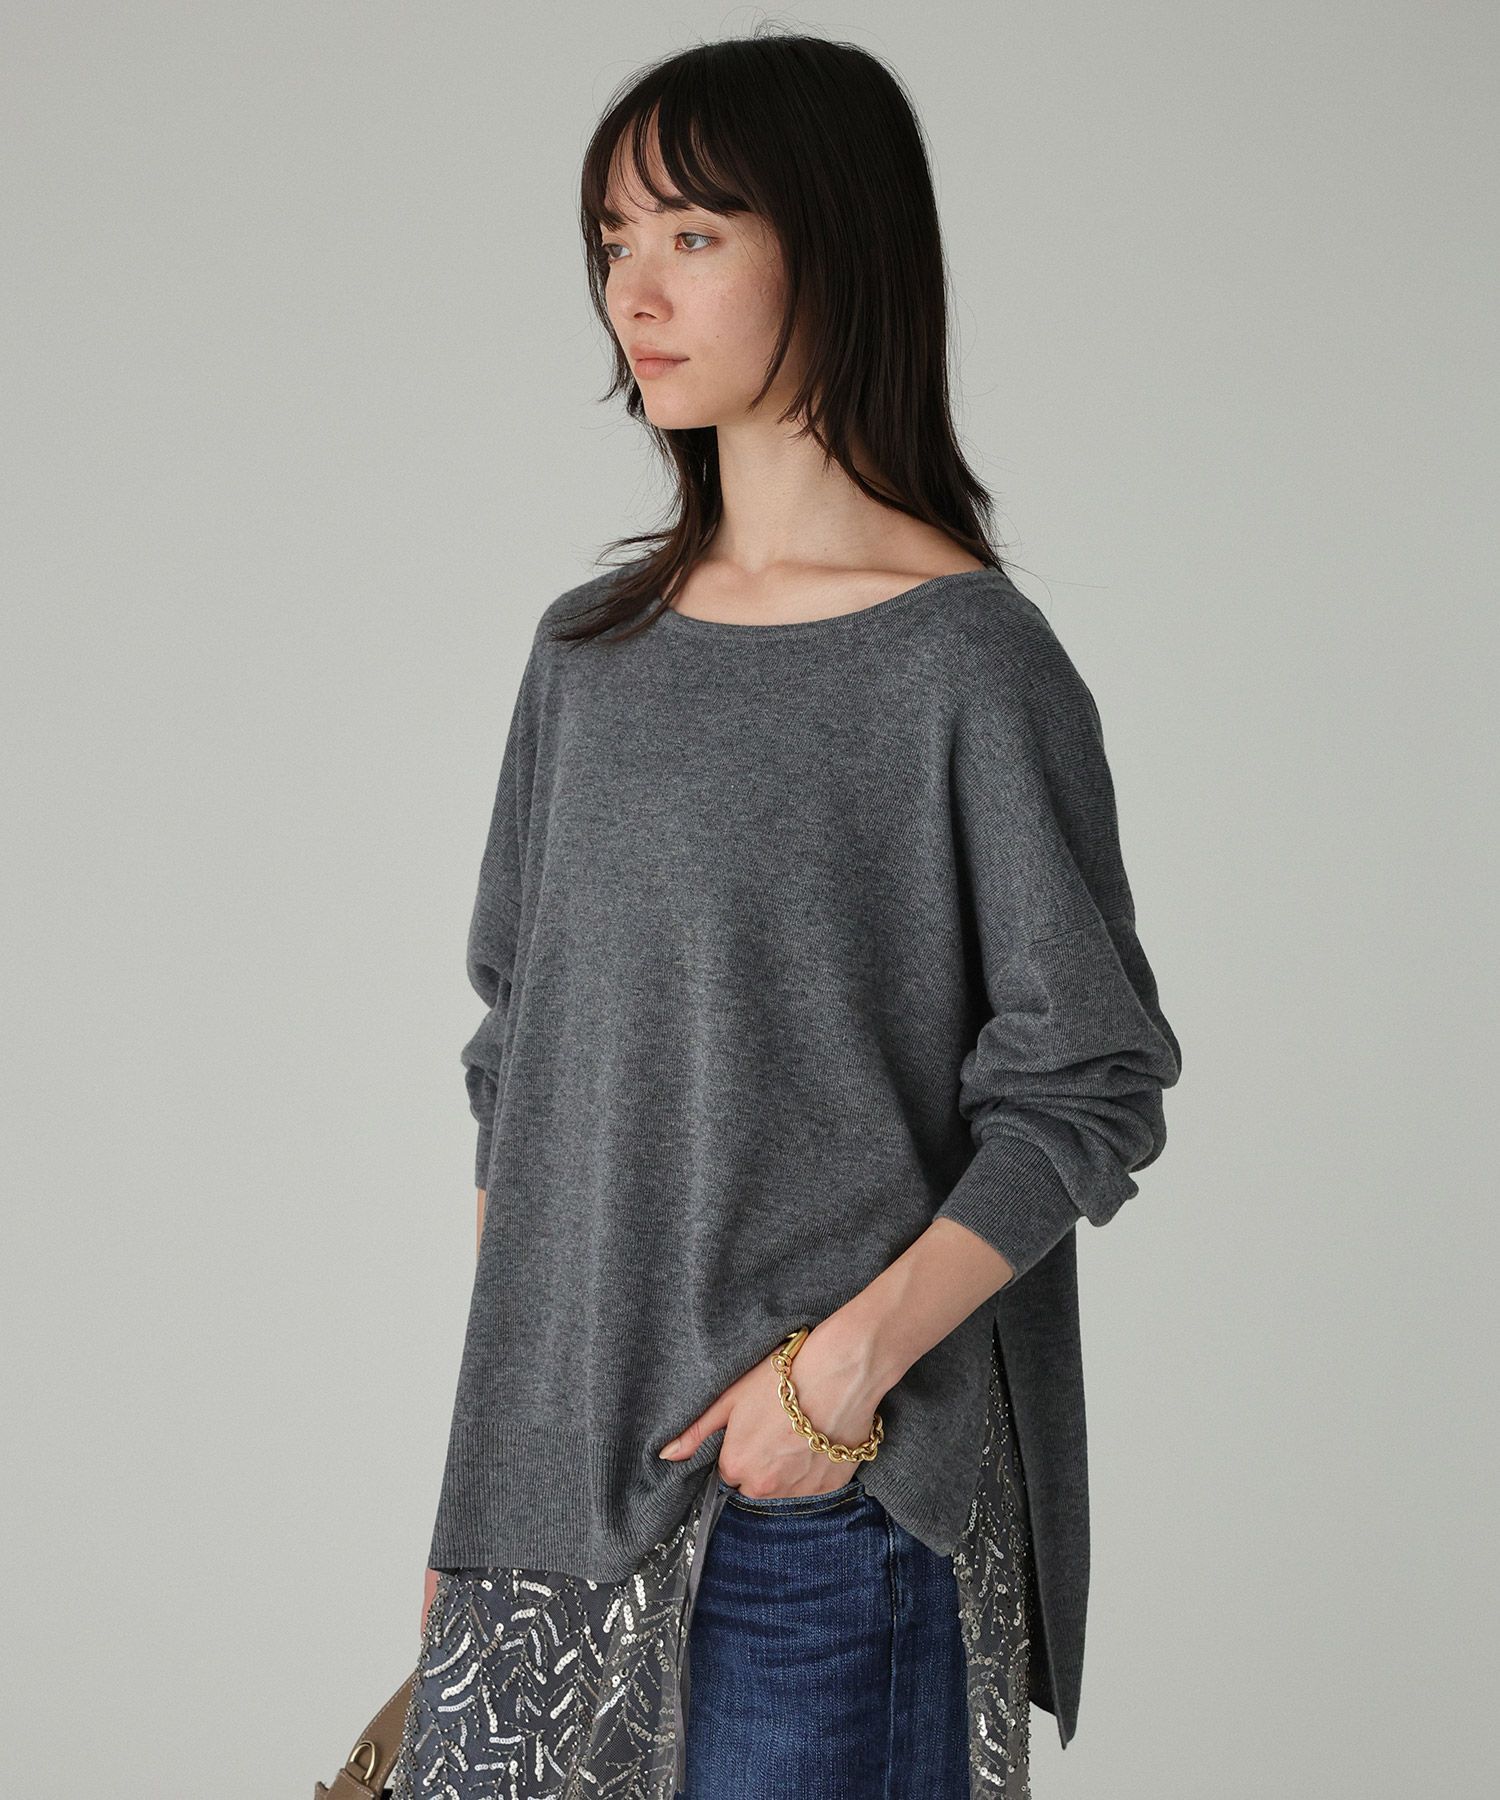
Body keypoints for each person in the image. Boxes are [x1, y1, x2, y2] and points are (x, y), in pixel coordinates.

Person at [389, 29, 1182, 1800]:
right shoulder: (588, 657)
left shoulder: (970, 664)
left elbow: (1088, 1079)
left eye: (692, 234)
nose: (634, 292)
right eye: (613, 241)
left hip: (822, 1502)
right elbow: (522, 1075)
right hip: (554, 1509)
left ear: (835, 246)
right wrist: (485, 1488)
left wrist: (836, 1387)